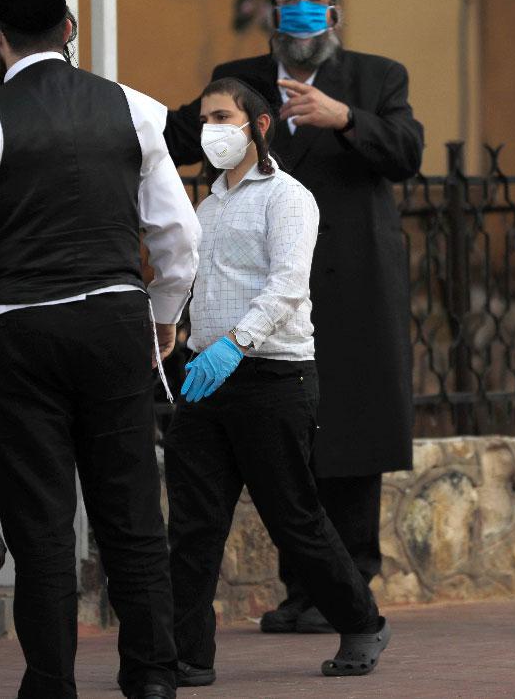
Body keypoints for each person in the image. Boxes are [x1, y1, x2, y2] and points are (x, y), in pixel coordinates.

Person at [0, 0, 200, 699]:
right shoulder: (134, 109)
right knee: (132, 517)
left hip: (20, 335)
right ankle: (153, 679)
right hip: (114, 323)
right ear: (69, 29)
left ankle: (51, 683)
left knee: (42, 528)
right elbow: (179, 235)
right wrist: (162, 317)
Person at [164, 0, 424, 633]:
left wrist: (345, 119)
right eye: (290, 2)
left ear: (333, 13)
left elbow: (406, 151)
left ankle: (350, 585)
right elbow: (185, 140)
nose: (303, 12)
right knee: (286, 447)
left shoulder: (375, 77)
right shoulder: (241, 80)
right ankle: (300, 591)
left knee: (353, 435)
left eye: (315, 1)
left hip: (352, 285)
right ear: (271, 14)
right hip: (262, 292)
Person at [164, 77, 391, 685]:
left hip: (271, 375)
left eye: (222, 117)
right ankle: (188, 653)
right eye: (204, 118)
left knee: (293, 517)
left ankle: (362, 622)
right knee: (192, 523)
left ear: (258, 126)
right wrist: (180, 337)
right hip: (206, 378)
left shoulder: (288, 198)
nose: (211, 129)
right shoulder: (207, 205)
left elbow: (287, 284)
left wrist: (235, 345)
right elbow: (195, 283)